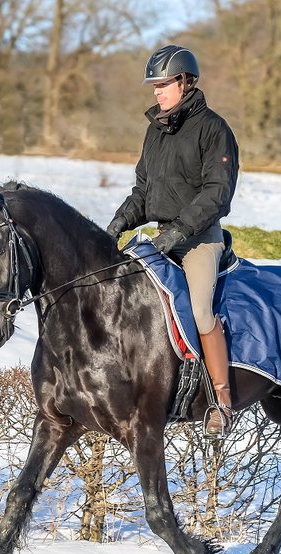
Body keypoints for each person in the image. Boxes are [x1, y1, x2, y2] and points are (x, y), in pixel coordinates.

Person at [106, 44, 239, 436]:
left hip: (199, 239)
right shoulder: (154, 131)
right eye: (154, 85)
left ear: (185, 82)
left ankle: (221, 401)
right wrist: (118, 222)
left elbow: (218, 193)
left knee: (199, 311)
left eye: (163, 84)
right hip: (162, 236)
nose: (157, 92)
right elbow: (143, 193)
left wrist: (180, 231)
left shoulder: (214, 129)